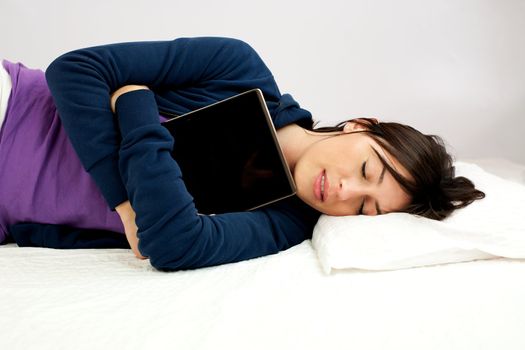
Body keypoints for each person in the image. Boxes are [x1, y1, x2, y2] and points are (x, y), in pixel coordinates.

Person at [0, 37, 484, 270]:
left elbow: (174, 245)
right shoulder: (238, 68)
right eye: (364, 169)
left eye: (364, 207)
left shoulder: (286, 223)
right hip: (11, 111)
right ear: (361, 125)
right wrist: (125, 203)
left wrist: (134, 104)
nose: (343, 190)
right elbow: (76, 69)